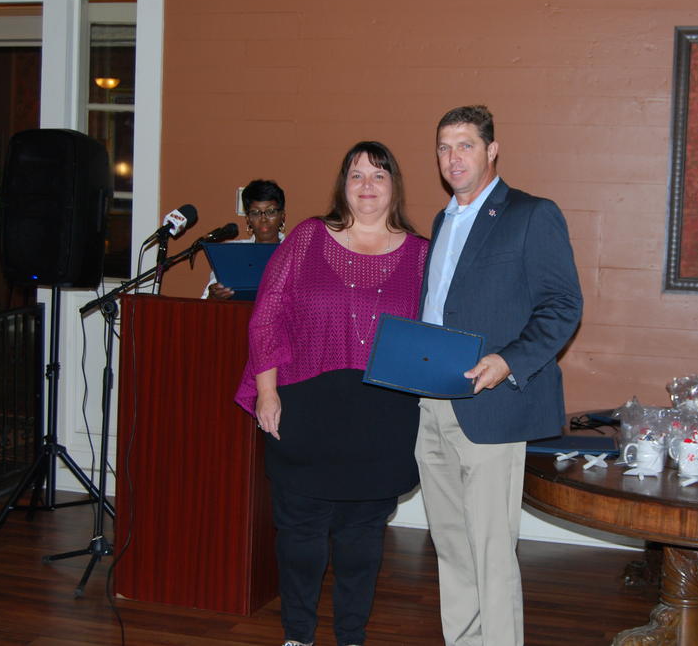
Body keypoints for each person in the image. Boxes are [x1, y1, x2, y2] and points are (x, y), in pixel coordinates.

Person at [234, 142, 428, 646]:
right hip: (305, 409)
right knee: (300, 538)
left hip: (383, 417)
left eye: (378, 175)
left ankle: (351, 637)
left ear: (394, 186)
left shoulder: (423, 253)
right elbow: (267, 316)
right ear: (343, 185)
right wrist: (266, 392)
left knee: (362, 541)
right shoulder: (307, 237)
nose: (366, 185)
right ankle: (297, 635)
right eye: (356, 175)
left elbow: (436, 334)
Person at [416, 105, 583, 646]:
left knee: (491, 550)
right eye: (443, 147)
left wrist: (510, 360)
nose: (452, 157)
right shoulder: (442, 221)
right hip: (431, 402)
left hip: (492, 405)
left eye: (464, 145)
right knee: (450, 544)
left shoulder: (532, 214)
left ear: (492, 150)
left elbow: (563, 306)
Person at [203, 178, 287, 299]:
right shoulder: (232, 253)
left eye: (270, 211)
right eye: (255, 213)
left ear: (282, 216)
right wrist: (213, 296)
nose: (263, 219)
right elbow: (206, 298)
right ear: (248, 219)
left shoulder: (296, 253)